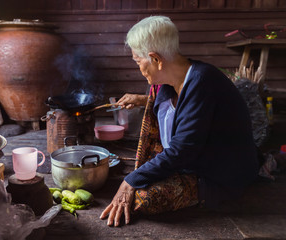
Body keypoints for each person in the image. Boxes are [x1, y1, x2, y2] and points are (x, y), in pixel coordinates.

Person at [99, 16, 260, 227]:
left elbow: (182, 150)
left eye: (138, 61)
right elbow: (173, 110)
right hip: (188, 161)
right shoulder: (167, 82)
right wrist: (141, 100)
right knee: (134, 180)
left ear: (155, 59)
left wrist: (130, 180)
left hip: (217, 174)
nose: (139, 68)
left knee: (142, 198)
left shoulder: (203, 82)